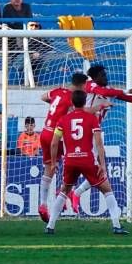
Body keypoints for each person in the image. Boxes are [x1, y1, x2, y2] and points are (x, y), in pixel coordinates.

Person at [67, 65, 132, 211]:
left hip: (94, 130)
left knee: (98, 167)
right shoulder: (91, 85)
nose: (106, 77)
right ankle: (71, 192)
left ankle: (75, 193)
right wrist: (125, 90)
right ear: (95, 77)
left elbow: (125, 97)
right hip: (84, 130)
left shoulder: (107, 89)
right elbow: (104, 91)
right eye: (103, 75)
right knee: (95, 167)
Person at [45, 90, 128, 235]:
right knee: (107, 190)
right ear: (85, 102)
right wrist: (102, 164)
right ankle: (117, 226)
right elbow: (99, 143)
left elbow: (53, 143)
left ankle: (50, 226)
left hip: (70, 160)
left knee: (64, 191)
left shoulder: (63, 120)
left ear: (71, 102)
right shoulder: (91, 119)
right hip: (87, 160)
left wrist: (53, 162)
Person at [38, 73, 89, 222]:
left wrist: (56, 105)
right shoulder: (73, 99)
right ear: (81, 85)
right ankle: (63, 191)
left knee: (50, 168)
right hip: (57, 136)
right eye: (86, 85)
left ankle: (42, 204)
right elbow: (80, 113)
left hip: (44, 133)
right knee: (75, 162)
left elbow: (43, 97)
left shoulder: (58, 91)